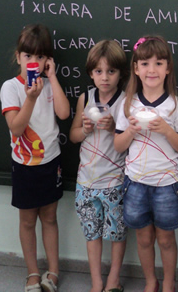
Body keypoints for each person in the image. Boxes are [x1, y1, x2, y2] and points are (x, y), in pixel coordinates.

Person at [113, 36, 178, 292]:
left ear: (168, 68)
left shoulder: (176, 105)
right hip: (135, 183)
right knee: (144, 238)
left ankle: (169, 283)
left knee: (166, 239)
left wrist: (167, 130)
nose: (152, 70)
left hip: (167, 184)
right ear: (136, 69)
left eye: (159, 63)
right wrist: (130, 131)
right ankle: (150, 281)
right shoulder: (128, 103)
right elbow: (118, 146)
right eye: (145, 64)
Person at [0, 24, 69, 292]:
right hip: (24, 165)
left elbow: (64, 114)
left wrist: (52, 78)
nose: (33, 62)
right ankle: (32, 273)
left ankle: (53, 272)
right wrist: (31, 98)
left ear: (48, 60)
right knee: (27, 220)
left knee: (49, 218)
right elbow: (16, 128)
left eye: (40, 57)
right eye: (28, 55)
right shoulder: (10, 88)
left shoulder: (49, 85)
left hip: (50, 162)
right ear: (18, 57)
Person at [69, 40, 130, 292]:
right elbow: (73, 136)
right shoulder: (85, 99)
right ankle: (96, 281)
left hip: (114, 180)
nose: (105, 77)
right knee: (91, 233)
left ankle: (113, 280)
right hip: (86, 180)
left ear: (120, 73)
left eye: (111, 71)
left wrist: (114, 127)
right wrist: (84, 129)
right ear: (91, 73)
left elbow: (129, 142)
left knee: (117, 233)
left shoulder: (125, 102)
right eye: (99, 71)